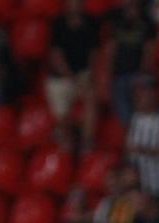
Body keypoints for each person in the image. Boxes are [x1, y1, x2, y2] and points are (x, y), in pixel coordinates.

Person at [46, 0, 102, 136]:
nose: (76, 5)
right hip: (60, 78)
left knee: (92, 98)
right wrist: (72, 78)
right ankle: (67, 143)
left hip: (83, 73)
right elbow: (56, 56)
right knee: (62, 119)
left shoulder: (92, 23)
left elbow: (94, 54)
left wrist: (90, 76)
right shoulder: (58, 24)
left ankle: (87, 143)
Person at [104, 0, 156, 125]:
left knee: (142, 99)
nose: (132, 10)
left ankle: (143, 130)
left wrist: (142, 73)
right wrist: (109, 75)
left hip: (139, 74)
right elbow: (112, 49)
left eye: (135, 7)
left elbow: (149, 51)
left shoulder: (147, 23)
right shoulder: (119, 22)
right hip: (120, 75)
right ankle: (131, 132)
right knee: (123, 113)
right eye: (130, 7)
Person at [125, 79, 159, 199]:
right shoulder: (136, 119)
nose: (146, 97)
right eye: (143, 93)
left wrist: (145, 151)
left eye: (149, 93)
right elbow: (130, 150)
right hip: (139, 183)